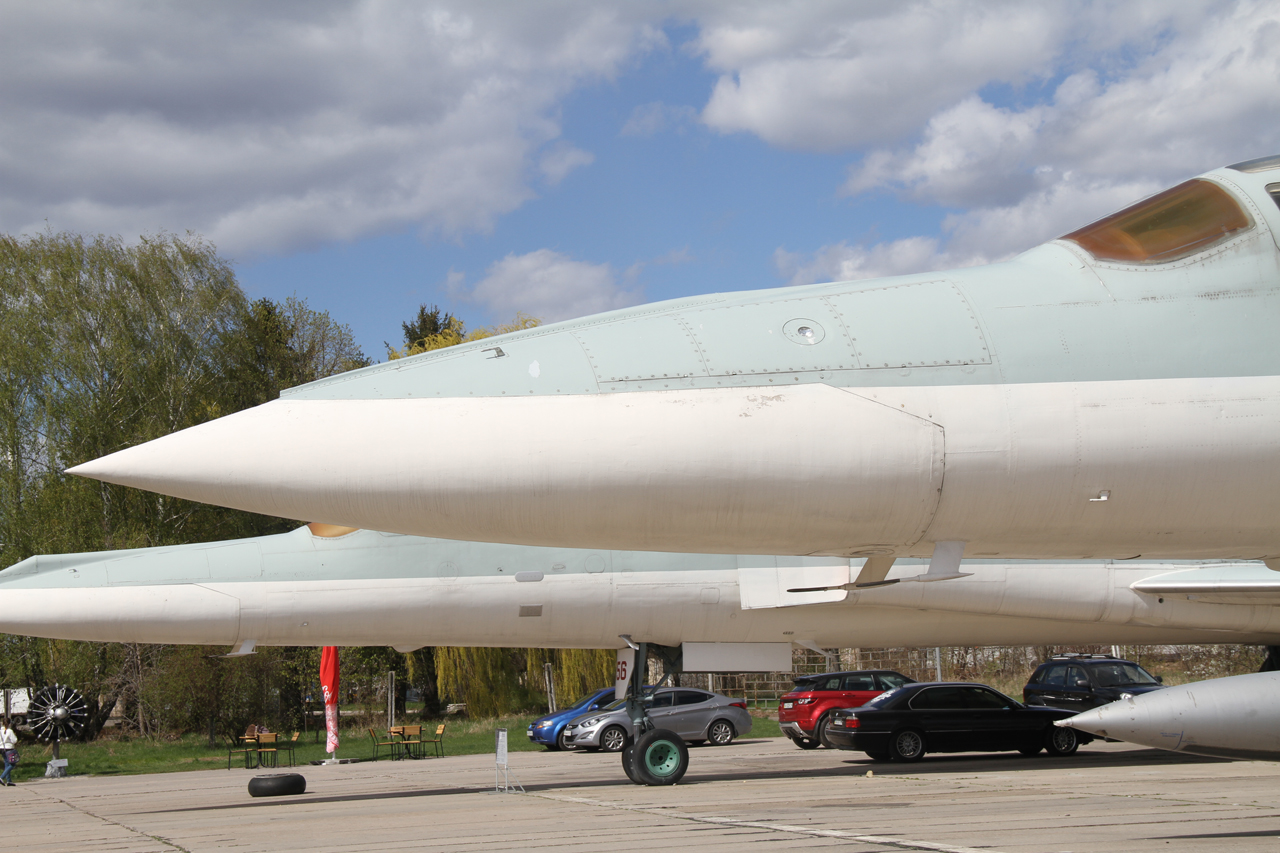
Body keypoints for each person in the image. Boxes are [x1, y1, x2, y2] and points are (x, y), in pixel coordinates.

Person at [0, 719, 17, 786]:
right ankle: (2, 777)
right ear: (10, 723)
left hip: (1, 748)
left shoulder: (0, 731)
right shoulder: (10, 731)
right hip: (9, 749)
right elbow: (14, 740)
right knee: (12, 764)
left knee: (7, 763)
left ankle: (9, 780)